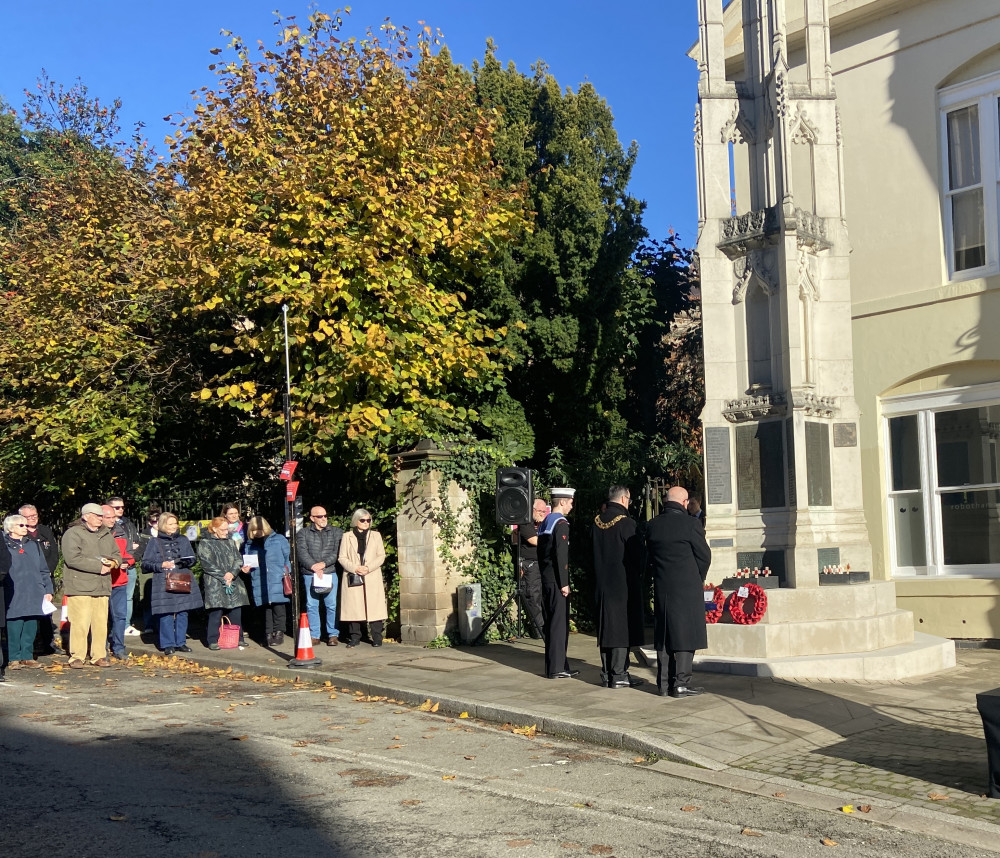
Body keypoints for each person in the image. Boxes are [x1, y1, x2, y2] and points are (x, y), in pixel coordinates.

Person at [645, 485, 713, 698]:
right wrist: (697, 577)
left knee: (665, 635)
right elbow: (704, 556)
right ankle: (681, 683)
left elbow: (648, 558)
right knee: (685, 635)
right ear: (684, 503)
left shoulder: (652, 525)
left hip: (663, 587)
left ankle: (664, 685)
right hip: (687, 588)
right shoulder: (690, 524)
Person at [591, 485, 645, 689]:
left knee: (606, 627)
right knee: (621, 629)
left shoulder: (596, 523)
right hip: (623, 585)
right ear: (624, 499)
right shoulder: (626, 524)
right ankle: (620, 673)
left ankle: (607, 673)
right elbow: (638, 556)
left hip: (602, 583)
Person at [61, 502, 121, 668]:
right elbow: (72, 558)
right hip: (80, 586)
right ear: (86, 516)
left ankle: (99, 656)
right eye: (96, 515)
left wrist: (113, 563)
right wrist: (98, 567)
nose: (100, 519)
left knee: (101, 624)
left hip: (102, 586)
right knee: (80, 623)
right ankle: (77, 657)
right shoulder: (73, 534)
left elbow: (117, 555)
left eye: (101, 516)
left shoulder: (106, 534)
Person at [143, 512, 202, 655]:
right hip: (163, 579)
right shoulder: (154, 542)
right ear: (163, 525)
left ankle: (181, 642)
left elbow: (192, 558)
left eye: (176, 523)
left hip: (182, 576)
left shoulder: (183, 539)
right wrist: (161, 564)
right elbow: (146, 563)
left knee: (183, 611)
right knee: (166, 613)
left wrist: (188, 561)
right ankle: (168, 644)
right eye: (171, 524)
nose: (174, 526)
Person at [3, 514, 53, 669]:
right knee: (14, 623)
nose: (26, 528)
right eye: (21, 525)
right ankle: (14, 658)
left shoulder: (33, 545)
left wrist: (48, 589)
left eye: (26, 525)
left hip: (34, 589)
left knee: (31, 624)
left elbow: (43, 569)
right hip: (14, 589)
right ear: (11, 528)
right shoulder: (5, 545)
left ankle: (27, 655)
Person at [537, 487, 578, 679]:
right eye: (570, 502)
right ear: (562, 502)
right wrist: (564, 583)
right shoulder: (561, 523)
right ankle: (557, 668)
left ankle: (558, 664)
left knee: (552, 622)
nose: (571, 506)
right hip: (556, 580)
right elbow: (561, 556)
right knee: (559, 625)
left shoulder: (546, 521)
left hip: (546, 577)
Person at [198, 516, 251, 650]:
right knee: (216, 611)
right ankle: (213, 640)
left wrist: (232, 573)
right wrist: (223, 576)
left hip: (232, 579)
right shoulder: (205, 543)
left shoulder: (230, 542)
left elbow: (238, 559)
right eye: (223, 529)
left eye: (227, 529)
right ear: (214, 529)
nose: (226, 532)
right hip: (215, 582)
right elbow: (207, 564)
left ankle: (238, 638)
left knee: (236, 609)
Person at [338, 509, 387, 648]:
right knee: (354, 607)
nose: (366, 523)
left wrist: (368, 567)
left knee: (375, 607)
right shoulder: (347, 536)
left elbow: (381, 556)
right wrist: (355, 568)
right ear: (356, 521)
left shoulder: (376, 536)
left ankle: (377, 637)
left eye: (368, 520)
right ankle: (355, 637)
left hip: (371, 575)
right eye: (363, 520)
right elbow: (342, 557)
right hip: (353, 575)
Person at [298, 505, 343, 646]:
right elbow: (301, 552)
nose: (323, 518)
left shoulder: (336, 532)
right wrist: (313, 566)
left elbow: (337, 552)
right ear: (312, 518)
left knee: (331, 605)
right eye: (319, 516)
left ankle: (333, 634)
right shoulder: (303, 533)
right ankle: (315, 635)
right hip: (310, 573)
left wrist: (323, 564)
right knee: (312, 605)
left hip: (329, 572)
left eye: (325, 515)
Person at [20, 504, 59, 655]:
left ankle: (48, 642)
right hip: (28, 579)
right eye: (28, 517)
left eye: (34, 515)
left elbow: (54, 553)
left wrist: (48, 571)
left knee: (46, 612)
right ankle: (28, 644)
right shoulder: (20, 534)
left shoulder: (45, 531)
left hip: (46, 577)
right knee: (28, 612)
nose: (32, 518)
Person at [245, 516, 290, 646]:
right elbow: (248, 561)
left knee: (279, 606)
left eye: (259, 529)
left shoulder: (279, 539)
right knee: (265, 608)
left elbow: (288, 557)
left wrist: (286, 571)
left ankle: (279, 632)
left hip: (277, 577)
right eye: (253, 530)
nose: (256, 532)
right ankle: (268, 633)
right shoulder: (250, 544)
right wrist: (247, 568)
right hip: (259, 578)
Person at [512, 499, 547, 639]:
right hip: (530, 565)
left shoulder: (542, 523)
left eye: (544, 511)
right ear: (532, 510)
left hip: (542, 564)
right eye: (540, 511)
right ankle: (538, 630)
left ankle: (544, 627)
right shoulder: (525, 523)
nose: (542, 514)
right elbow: (534, 541)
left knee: (542, 597)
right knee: (533, 596)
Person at [106, 496, 141, 635]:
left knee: (128, 597)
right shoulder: (106, 527)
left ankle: (125, 625)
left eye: (122, 507)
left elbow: (137, 544)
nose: (121, 510)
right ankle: (111, 627)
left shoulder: (128, 524)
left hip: (129, 566)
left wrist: (130, 559)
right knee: (111, 599)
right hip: (112, 568)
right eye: (117, 507)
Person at [103, 504, 133, 661]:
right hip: (101, 581)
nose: (111, 520)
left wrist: (127, 562)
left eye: (113, 517)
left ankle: (119, 647)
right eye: (108, 517)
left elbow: (130, 553)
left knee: (120, 616)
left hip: (119, 581)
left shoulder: (121, 533)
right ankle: (102, 648)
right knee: (102, 617)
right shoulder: (96, 534)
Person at [134, 504, 162, 635]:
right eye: (152, 521)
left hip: (162, 569)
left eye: (158, 520)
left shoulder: (166, 533)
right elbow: (140, 552)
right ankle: (149, 624)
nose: (155, 523)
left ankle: (162, 624)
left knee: (162, 597)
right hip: (148, 570)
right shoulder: (144, 534)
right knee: (147, 597)